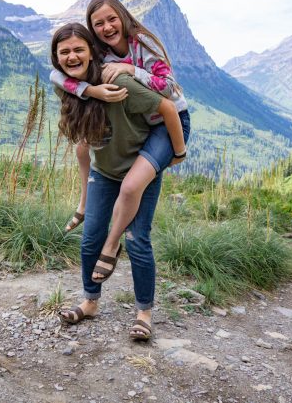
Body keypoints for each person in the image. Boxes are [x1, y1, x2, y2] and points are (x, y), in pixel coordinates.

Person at [51, 22, 190, 340]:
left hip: (139, 172)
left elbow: (168, 108)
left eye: (78, 50)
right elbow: (82, 147)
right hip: (104, 172)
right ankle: (90, 302)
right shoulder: (67, 87)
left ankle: (144, 313)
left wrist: (176, 154)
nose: (72, 57)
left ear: (91, 52)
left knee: (138, 239)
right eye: (64, 52)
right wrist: (83, 201)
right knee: (90, 240)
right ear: (57, 58)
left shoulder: (119, 83)